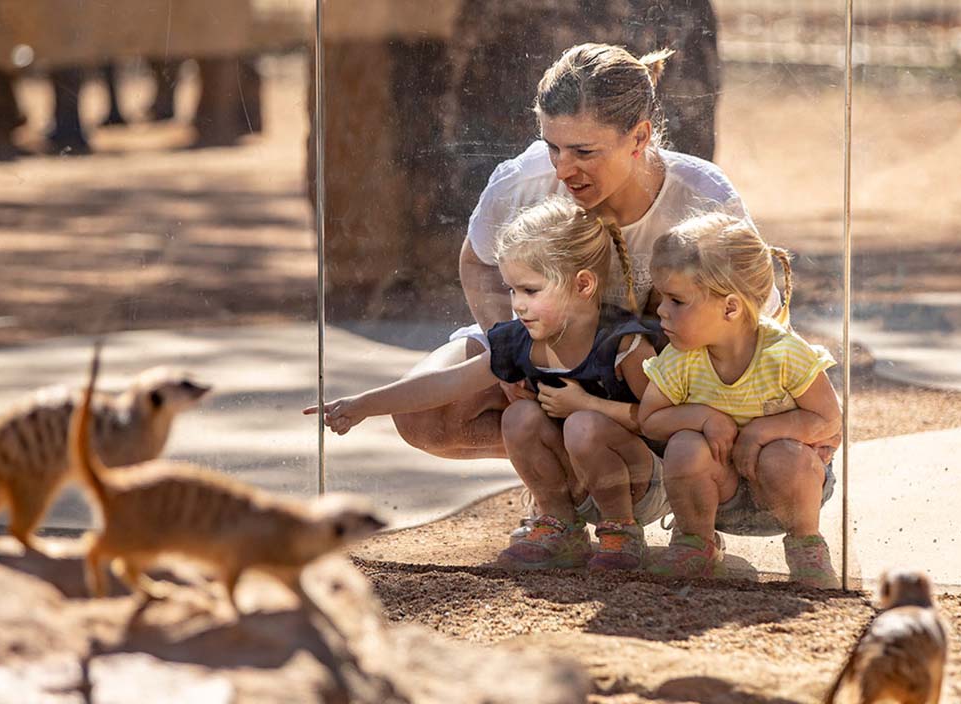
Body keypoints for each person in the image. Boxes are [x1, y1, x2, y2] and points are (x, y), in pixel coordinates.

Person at [392, 42, 758, 464]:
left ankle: (644, 470)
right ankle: (565, 472)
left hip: (658, 368)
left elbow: (752, 316)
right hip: (550, 347)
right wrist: (511, 353)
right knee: (422, 415)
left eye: (584, 152)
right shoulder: (523, 180)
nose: (563, 169)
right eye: (553, 147)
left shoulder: (704, 195)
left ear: (639, 137)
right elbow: (478, 261)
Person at [306, 195, 666, 571]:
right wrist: (362, 405)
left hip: (639, 485)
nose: (517, 304)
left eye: (530, 290)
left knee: (583, 425)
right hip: (578, 479)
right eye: (512, 290)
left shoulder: (624, 345)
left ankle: (622, 532)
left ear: (583, 285)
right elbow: (446, 384)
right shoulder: (519, 341)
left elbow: (658, 422)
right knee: (520, 417)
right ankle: (560, 525)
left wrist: (588, 405)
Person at [637, 212, 842, 588]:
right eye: (661, 297)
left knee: (784, 455)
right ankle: (695, 543)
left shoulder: (784, 352)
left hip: (786, 492)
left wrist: (760, 433)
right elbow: (649, 419)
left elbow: (829, 420)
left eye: (676, 300)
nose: (661, 309)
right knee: (685, 446)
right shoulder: (681, 357)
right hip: (718, 493)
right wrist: (703, 418)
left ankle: (806, 546)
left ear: (730, 308)